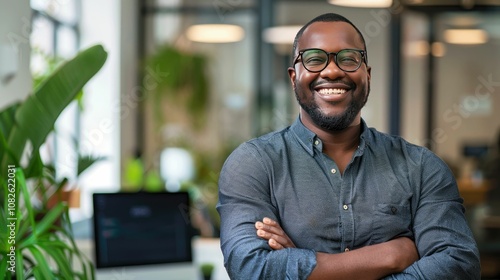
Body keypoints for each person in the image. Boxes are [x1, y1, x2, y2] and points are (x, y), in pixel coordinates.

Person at [217, 12, 481, 279]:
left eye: (348, 58)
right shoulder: (254, 165)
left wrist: (302, 265)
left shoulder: (422, 168)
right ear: (293, 77)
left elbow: (458, 265)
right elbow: (251, 267)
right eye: (314, 59)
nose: (332, 71)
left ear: (367, 74)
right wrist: (391, 256)